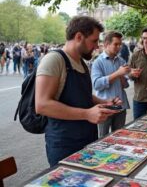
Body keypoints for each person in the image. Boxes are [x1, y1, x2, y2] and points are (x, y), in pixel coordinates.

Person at [35, 16, 121, 166]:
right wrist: (87, 114)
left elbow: (84, 95)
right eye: (94, 41)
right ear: (79, 37)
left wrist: (105, 102)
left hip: (87, 138)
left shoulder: (82, 62)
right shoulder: (54, 60)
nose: (96, 46)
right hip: (64, 144)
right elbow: (42, 105)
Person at [90, 31, 130, 138]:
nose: (119, 47)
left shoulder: (121, 60)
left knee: (119, 137)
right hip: (105, 107)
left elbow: (125, 85)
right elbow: (97, 84)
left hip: (121, 106)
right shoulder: (98, 62)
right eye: (116, 44)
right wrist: (117, 73)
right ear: (106, 45)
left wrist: (124, 76)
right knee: (103, 137)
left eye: (120, 44)